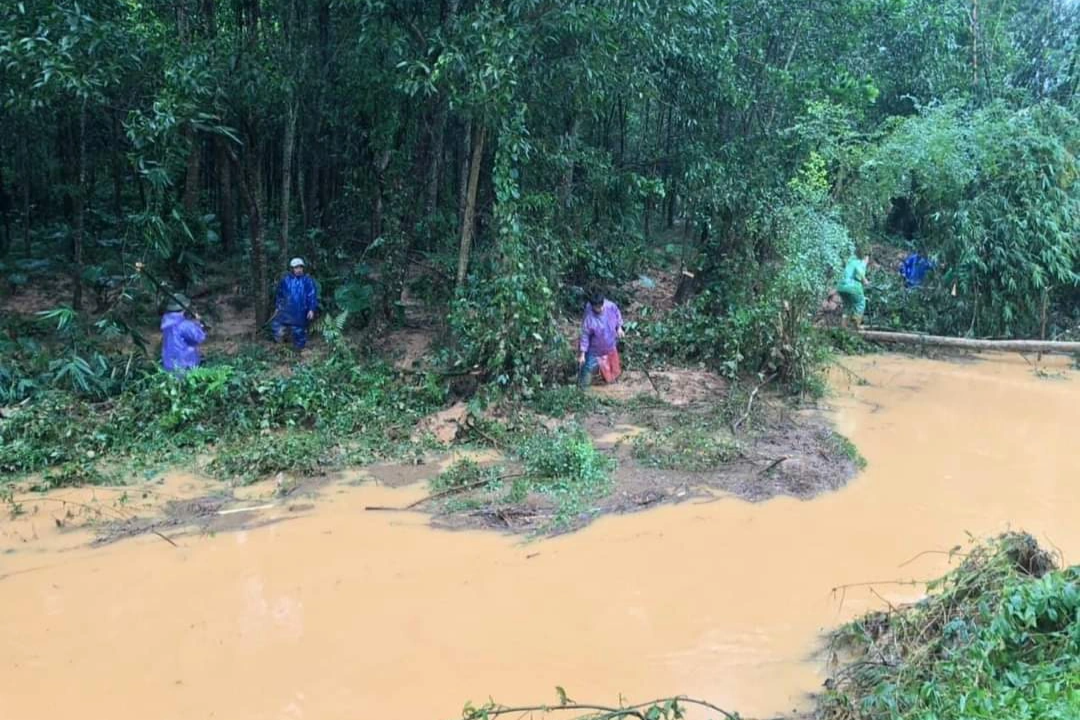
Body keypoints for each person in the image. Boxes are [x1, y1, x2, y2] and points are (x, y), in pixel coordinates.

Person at [578, 291, 625, 389]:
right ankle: (582, 388)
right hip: (594, 349)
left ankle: (613, 382)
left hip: (610, 343)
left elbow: (617, 314)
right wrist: (582, 354)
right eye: (597, 307)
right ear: (592, 306)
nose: (600, 309)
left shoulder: (610, 306)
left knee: (613, 366)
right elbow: (585, 336)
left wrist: (619, 328)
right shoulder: (589, 319)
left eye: (601, 306)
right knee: (588, 367)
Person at [272, 257, 319, 350]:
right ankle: (281, 347)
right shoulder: (285, 280)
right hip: (286, 311)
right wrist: (278, 307)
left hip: (300, 311)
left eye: (300, 267)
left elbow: (312, 296)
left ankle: (299, 350)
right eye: (296, 267)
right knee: (278, 327)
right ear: (292, 269)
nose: (298, 270)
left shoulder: (307, 281)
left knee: (299, 330)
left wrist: (311, 309)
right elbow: (280, 295)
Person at [160, 294, 206, 374]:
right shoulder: (184, 325)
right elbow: (199, 337)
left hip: (168, 365)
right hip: (185, 365)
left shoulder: (166, 323)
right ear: (184, 309)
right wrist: (198, 323)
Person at [836, 251, 870, 329]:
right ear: (865, 257)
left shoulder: (851, 261)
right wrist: (865, 280)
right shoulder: (861, 262)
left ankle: (843, 326)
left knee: (847, 305)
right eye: (868, 259)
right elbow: (859, 270)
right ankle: (857, 325)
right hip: (851, 286)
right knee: (861, 302)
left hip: (841, 287)